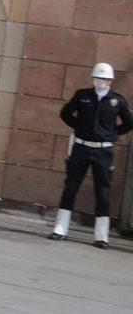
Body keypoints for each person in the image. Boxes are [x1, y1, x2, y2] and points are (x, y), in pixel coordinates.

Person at [48, 62, 133, 249]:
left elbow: (129, 122)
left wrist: (112, 134)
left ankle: (101, 236)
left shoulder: (117, 101)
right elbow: (65, 114)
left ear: (110, 80)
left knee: (102, 191)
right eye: (96, 78)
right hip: (81, 148)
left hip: (102, 150)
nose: (99, 81)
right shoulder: (82, 96)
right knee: (71, 187)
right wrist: (79, 128)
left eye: (103, 78)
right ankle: (60, 228)